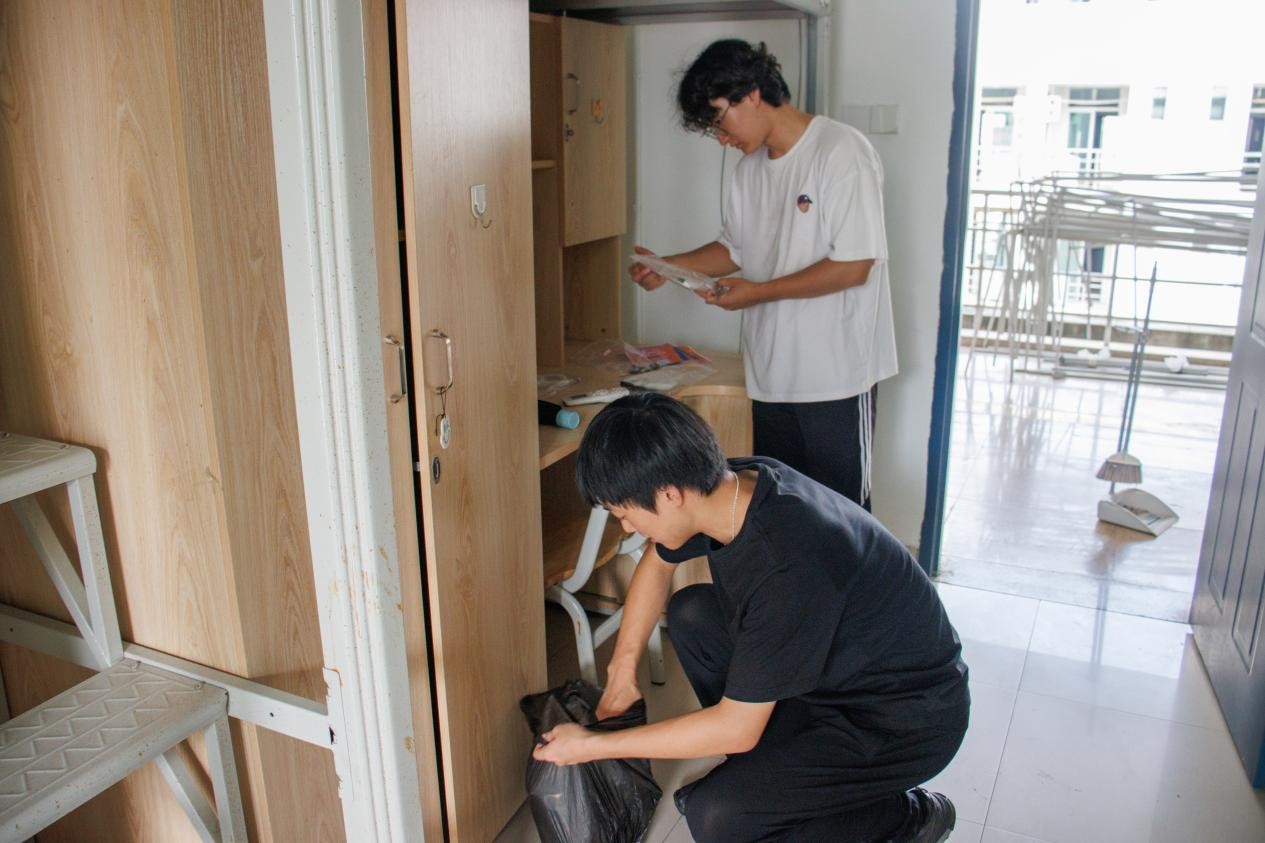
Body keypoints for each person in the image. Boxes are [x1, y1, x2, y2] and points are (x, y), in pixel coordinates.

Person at [533, 392, 969, 843]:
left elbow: (735, 729)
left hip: (904, 719)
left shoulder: (788, 563)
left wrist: (594, 745)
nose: (627, 527)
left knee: (719, 818)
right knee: (693, 613)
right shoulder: (734, 484)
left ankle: (907, 816)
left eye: (624, 513)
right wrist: (622, 671)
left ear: (669, 494)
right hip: (837, 675)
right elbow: (657, 562)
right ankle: (772, 777)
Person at [630, 39, 897, 510]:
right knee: (783, 515)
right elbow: (734, 248)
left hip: (836, 377)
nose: (721, 138)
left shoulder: (840, 151)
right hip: (771, 375)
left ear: (751, 93)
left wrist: (758, 292)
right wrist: (669, 268)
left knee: (844, 520)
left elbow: (855, 266)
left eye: (719, 120)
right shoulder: (748, 172)